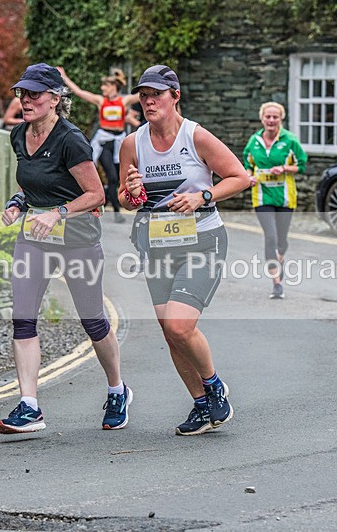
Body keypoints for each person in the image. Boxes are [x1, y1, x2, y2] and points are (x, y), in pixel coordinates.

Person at [0, 63, 131, 434]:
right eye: (22, 93)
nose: (26, 100)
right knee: (22, 317)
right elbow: (31, 185)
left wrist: (58, 213)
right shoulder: (18, 136)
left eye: (34, 94)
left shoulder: (71, 139)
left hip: (77, 238)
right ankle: (29, 405)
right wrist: (16, 204)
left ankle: (117, 389)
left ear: (55, 99)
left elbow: (95, 194)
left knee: (92, 321)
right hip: (34, 238)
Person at [118, 65, 249, 436]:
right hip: (157, 245)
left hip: (202, 241)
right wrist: (130, 192)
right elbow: (126, 201)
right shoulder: (133, 143)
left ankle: (213, 385)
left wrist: (202, 196)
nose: (148, 101)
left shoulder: (196, 137)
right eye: (143, 95)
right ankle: (201, 405)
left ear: (175, 97)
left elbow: (240, 177)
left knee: (180, 324)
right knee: (169, 331)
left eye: (156, 94)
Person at [242, 101, 308, 299]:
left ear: (281, 119)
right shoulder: (253, 141)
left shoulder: (290, 140)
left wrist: (285, 169)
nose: (271, 120)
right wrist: (249, 177)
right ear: (262, 118)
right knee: (270, 237)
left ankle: (280, 257)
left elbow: (302, 166)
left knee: (281, 240)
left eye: (275, 117)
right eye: (268, 117)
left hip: (285, 197)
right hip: (262, 197)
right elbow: (248, 165)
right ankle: (276, 283)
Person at [57, 66, 139, 223]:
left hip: (119, 142)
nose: (102, 88)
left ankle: (107, 203)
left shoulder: (124, 101)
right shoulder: (101, 101)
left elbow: (140, 96)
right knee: (112, 177)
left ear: (113, 87)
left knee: (116, 179)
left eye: (105, 86)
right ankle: (115, 212)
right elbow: (80, 92)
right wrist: (65, 77)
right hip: (103, 142)